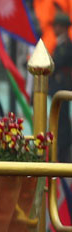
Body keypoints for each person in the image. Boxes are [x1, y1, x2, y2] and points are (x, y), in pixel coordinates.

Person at [51, 11, 72, 163]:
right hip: (57, 86)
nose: (55, 28)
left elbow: (59, 61)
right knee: (58, 120)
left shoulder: (66, 45)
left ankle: (63, 150)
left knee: (63, 120)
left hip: (63, 86)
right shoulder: (59, 44)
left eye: (57, 25)